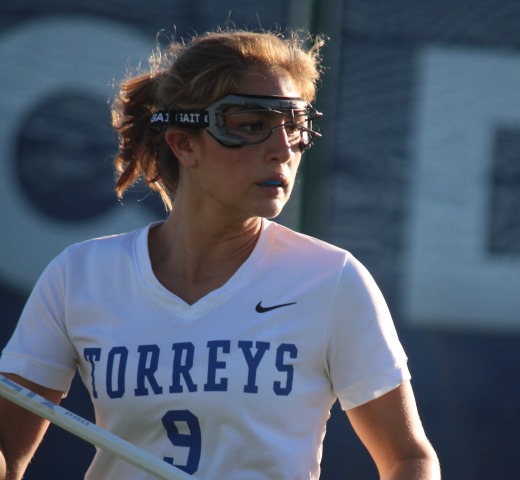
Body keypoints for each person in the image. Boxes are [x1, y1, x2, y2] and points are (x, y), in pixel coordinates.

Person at [0, 28, 440, 479]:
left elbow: (408, 458)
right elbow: (6, 457)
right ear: (184, 143)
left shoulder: (332, 279)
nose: (282, 150)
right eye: (252, 125)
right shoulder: (79, 276)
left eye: (294, 126)